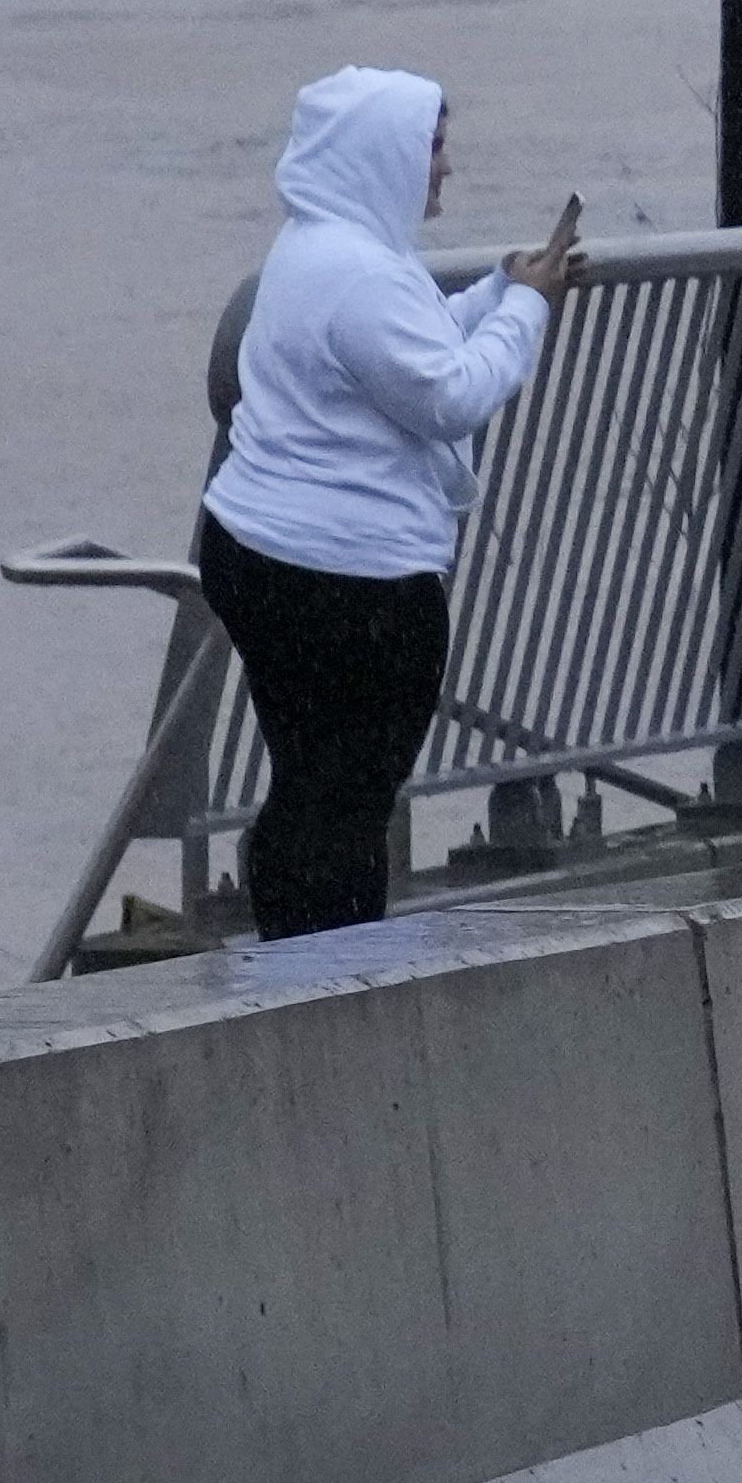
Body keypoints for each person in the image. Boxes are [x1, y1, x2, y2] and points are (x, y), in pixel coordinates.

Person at [193, 70, 580, 941]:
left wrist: (498, 287)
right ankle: (328, 972)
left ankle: (296, 957)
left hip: (257, 550)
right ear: (383, 155)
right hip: (350, 584)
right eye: (432, 148)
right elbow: (450, 394)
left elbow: (410, 339)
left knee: (309, 780)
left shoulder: (315, 248)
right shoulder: (361, 275)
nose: (443, 169)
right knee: (349, 800)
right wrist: (529, 310)